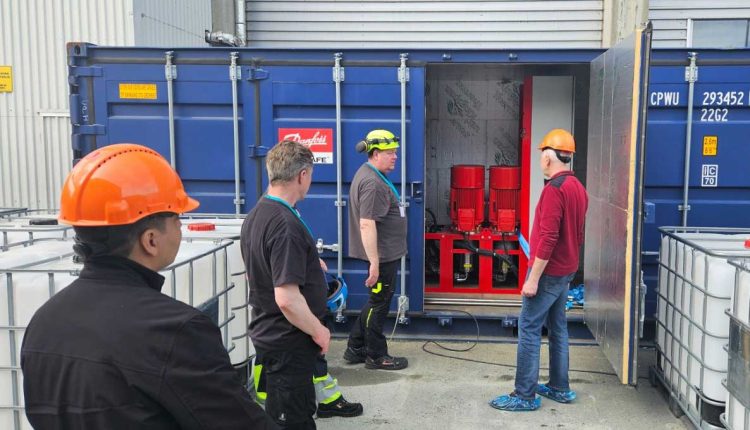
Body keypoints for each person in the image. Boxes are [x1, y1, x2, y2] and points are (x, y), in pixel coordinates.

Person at [21, 143, 276, 429]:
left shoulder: (44, 320)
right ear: (151, 240)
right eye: (177, 219)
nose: (181, 228)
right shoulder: (175, 331)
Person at [243, 140, 356, 429]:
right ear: (302, 175)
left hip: (272, 335)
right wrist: (319, 331)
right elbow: (286, 298)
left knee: (282, 412)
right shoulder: (284, 225)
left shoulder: (258, 213)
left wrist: (308, 264)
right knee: (294, 419)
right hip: (288, 342)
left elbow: (258, 272)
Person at [490, 129, 588, 412]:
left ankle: (524, 395)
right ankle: (559, 387)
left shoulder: (554, 190)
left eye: (541, 155)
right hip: (566, 270)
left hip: (548, 273)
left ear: (547, 157)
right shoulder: (578, 187)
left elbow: (547, 239)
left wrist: (532, 279)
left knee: (529, 328)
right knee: (558, 328)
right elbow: (576, 234)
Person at [252, 271, 363, 419]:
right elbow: (287, 299)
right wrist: (318, 331)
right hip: (287, 306)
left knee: (270, 352)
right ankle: (329, 400)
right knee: (308, 347)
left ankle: (267, 399)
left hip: (268, 312)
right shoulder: (285, 247)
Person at [343, 129, 408, 371]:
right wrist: (375, 263)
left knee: (376, 301)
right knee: (379, 304)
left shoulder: (372, 175)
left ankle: (355, 347)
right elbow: (367, 223)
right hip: (381, 256)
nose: (395, 157)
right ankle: (376, 355)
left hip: (383, 254)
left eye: (395, 153)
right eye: (390, 153)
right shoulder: (372, 183)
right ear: (376, 153)